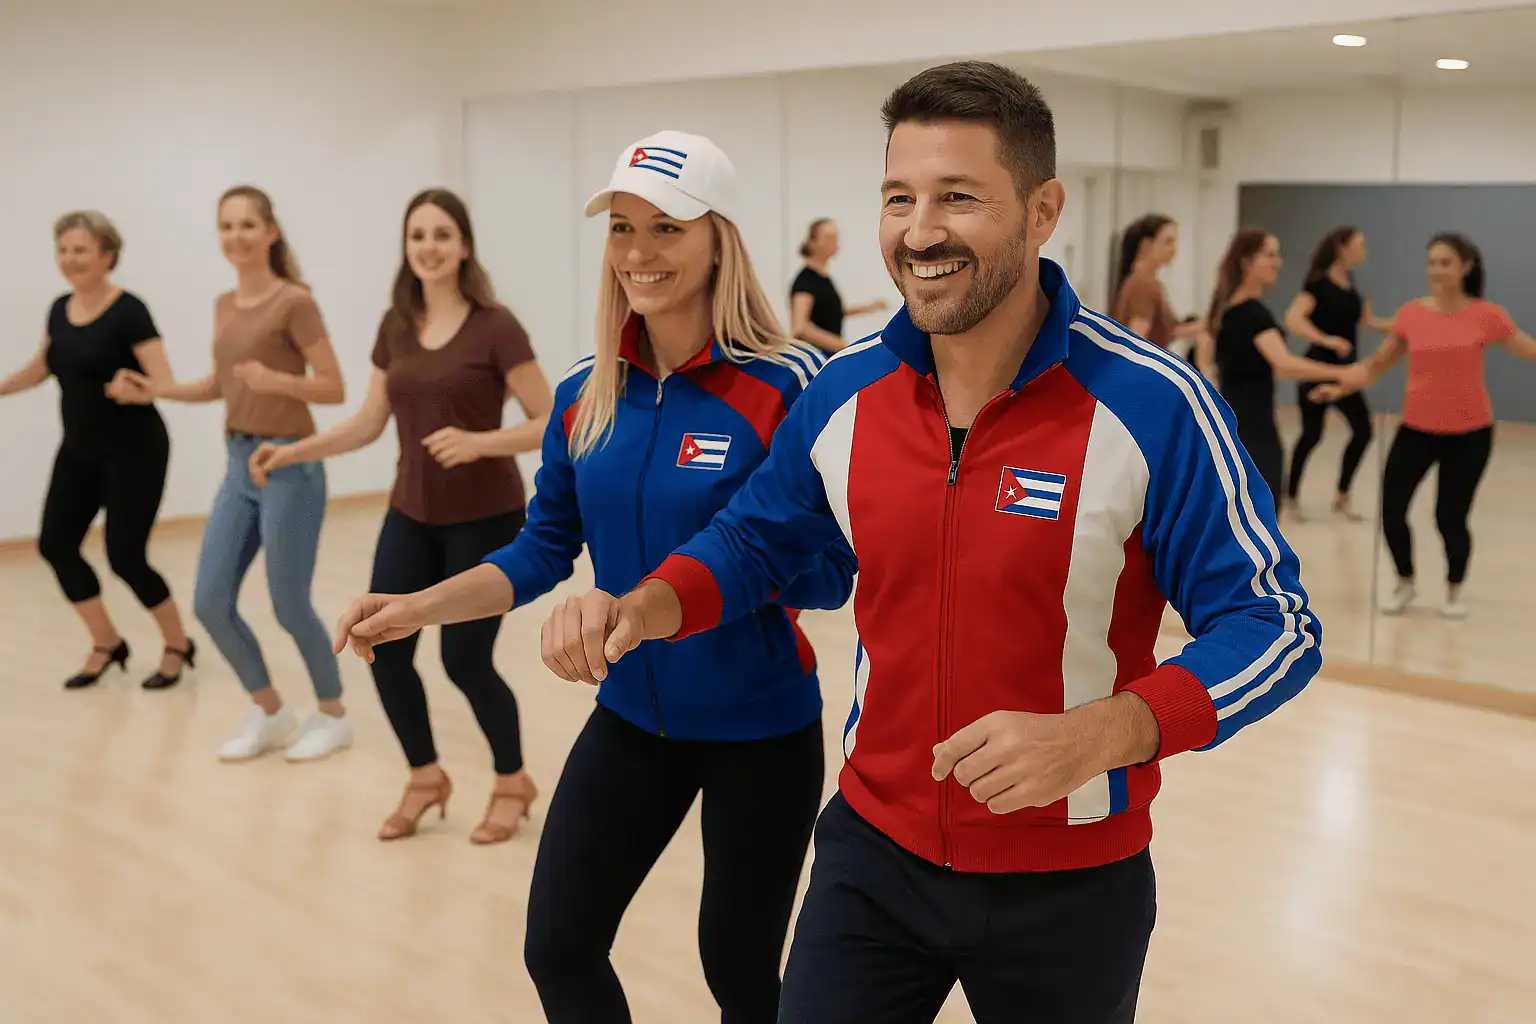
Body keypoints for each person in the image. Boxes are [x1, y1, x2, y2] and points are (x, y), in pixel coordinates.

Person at [538, 62, 1328, 1024]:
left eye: (959, 198)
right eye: (898, 198)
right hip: (873, 856)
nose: (920, 232)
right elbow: (752, 542)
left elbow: (1276, 625)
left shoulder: (1154, 405)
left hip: (1071, 882)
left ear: (1042, 212)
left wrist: (1105, 733)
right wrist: (640, 606)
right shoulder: (843, 395)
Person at [331, 131, 857, 1021]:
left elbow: (834, 574)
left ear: (718, 238)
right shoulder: (586, 394)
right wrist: (418, 605)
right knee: (559, 948)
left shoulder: (789, 384)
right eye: (621, 228)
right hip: (631, 720)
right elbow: (541, 548)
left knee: (737, 971)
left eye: (666, 227)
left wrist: (677, 595)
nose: (638, 253)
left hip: (757, 732)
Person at [249, 189, 554, 842]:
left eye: (443, 234)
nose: (430, 247)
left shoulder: (496, 326)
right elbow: (368, 420)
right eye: (418, 235)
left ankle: (511, 779)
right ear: (407, 246)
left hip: (485, 516)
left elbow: (552, 418)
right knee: (385, 652)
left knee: (464, 662)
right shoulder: (396, 323)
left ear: (464, 244)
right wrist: (294, 450)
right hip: (410, 512)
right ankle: (424, 776)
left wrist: (481, 442)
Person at [113, 185, 350, 761]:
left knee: (288, 602)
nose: (236, 236)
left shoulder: (295, 301)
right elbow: (218, 385)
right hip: (238, 463)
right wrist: (155, 390)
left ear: (271, 231)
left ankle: (333, 714)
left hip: (290, 463)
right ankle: (270, 712)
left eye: (248, 225)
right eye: (227, 226)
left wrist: (279, 383)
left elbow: (334, 386)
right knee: (211, 601)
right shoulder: (224, 304)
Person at [0, 211, 193, 690]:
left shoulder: (130, 311)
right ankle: (107, 642)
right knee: (55, 545)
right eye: (63, 250)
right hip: (80, 450)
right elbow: (43, 365)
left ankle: (177, 644)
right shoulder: (58, 309)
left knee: (126, 557)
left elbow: (164, 383)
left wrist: (138, 389)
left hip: (135, 451)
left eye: (80, 250)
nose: (69, 259)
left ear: (107, 255)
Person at [1311, 232, 1536, 619]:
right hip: (1416, 430)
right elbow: (1377, 366)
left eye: (1446, 262)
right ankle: (1405, 582)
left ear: (1465, 268)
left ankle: (1453, 589)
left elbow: (1529, 349)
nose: (1437, 270)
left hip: (1470, 434)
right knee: (1392, 510)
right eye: (1432, 262)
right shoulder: (1412, 313)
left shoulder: (1487, 315)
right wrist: (1340, 385)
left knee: (1450, 516)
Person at [1206, 228, 1369, 505]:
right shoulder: (1251, 312)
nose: (1277, 262)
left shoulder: (1231, 308)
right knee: (1261, 512)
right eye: (1269, 255)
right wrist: (1342, 372)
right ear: (1247, 261)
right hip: (1252, 428)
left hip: (1239, 421)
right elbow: (1284, 365)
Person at [1281, 226, 1393, 518]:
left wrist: (1406, 327)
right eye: (1360, 243)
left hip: (1348, 375)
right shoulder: (1318, 284)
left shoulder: (1352, 284)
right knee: (1312, 434)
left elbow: (1367, 320)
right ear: (1342, 247)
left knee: (1363, 431)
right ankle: (1290, 496)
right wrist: (1325, 339)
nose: (1364, 249)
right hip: (1317, 369)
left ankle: (1342, 496)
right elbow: (1293, 319)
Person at [1108, 213, 1209, 360]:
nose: (1174, 249)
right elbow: (1136, 340)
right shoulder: (1143, 285)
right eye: (1168, 242)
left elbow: (1167, 332)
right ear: (1146, 245)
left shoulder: (1145, 282)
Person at [789, 217, 889, 352]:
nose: (835, 242)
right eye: (829, 237)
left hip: (828, 355)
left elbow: (831, 311)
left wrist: (870, 306)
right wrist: (842, 345)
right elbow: (800, 327)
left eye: (836, 237)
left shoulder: (823, 278)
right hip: (816, 360)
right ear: (812, 242)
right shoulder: (805, 281)